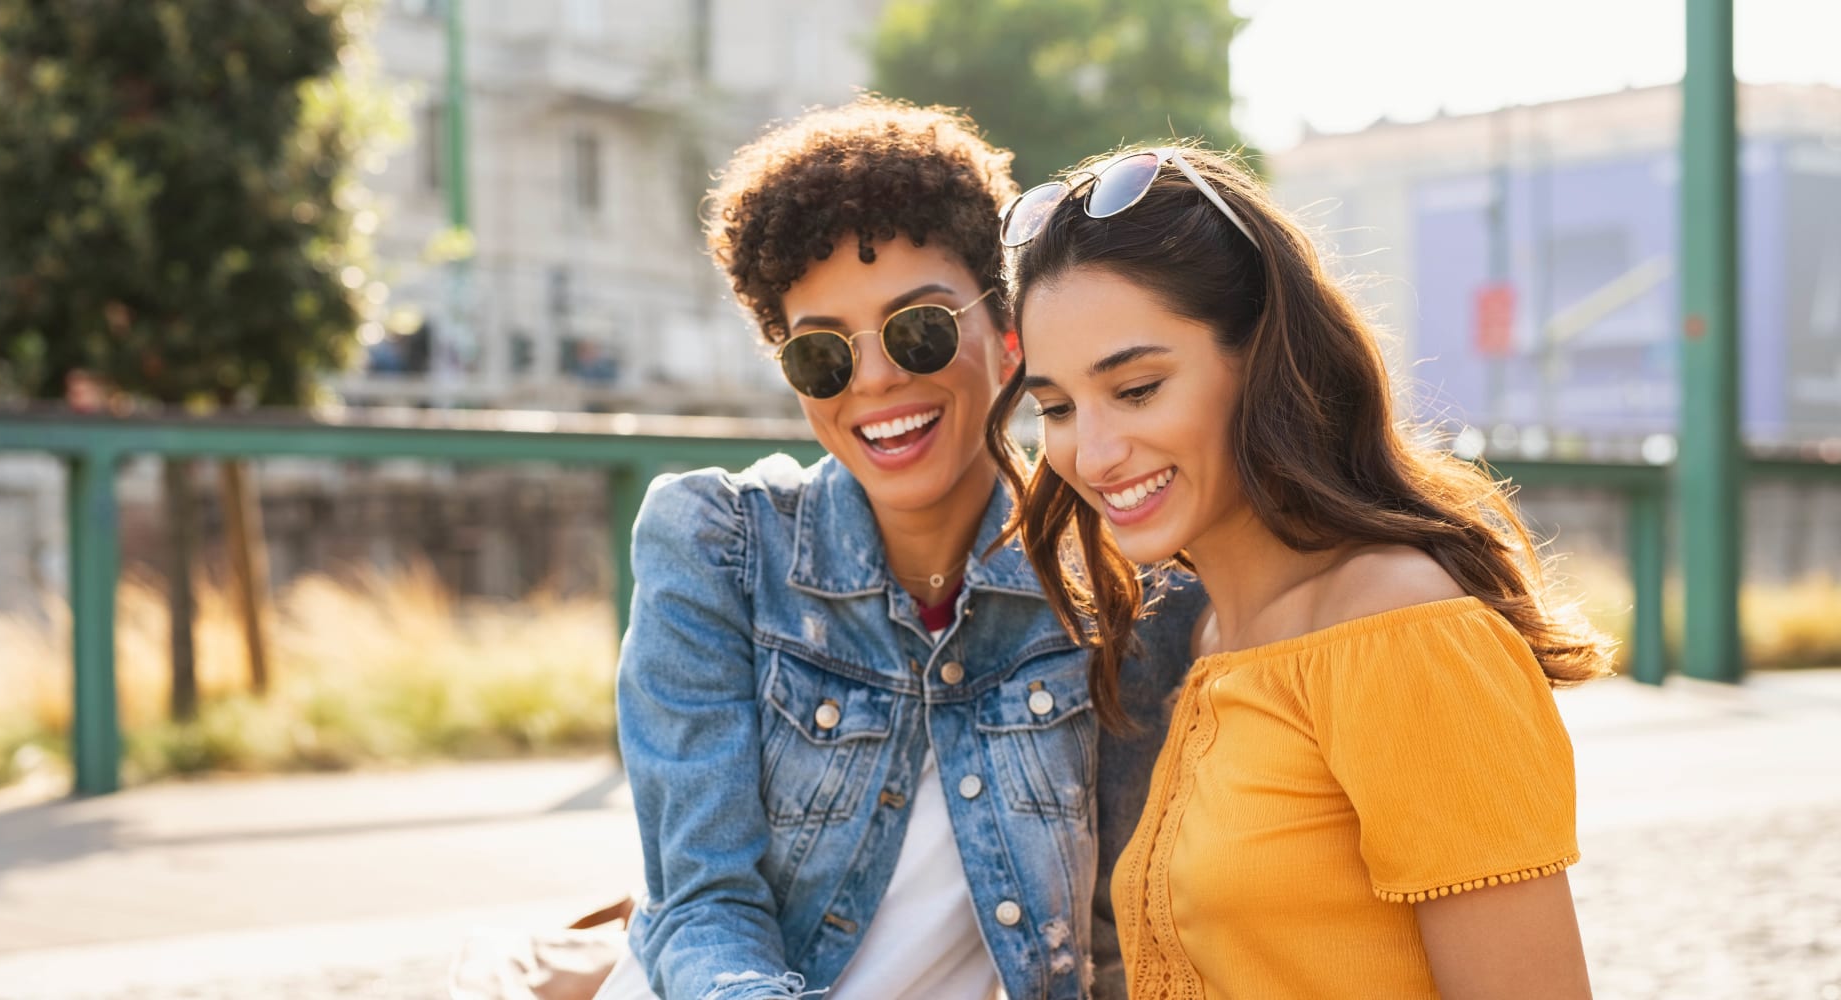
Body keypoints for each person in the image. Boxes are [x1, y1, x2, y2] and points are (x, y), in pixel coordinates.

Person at [595, 99, 1201, 1000]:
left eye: (918, 329)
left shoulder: (1122, 585)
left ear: (1008, 335)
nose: (875, 378)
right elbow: (703, 903)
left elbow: (1118, 935)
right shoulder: (715, 547)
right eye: (822, 356)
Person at [990, 141, 1614, 1000]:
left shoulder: (1403, 632)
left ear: (1263, 362)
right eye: (1056, 407)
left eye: (1136, 389)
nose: (1090, 452)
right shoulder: (1203, 634)